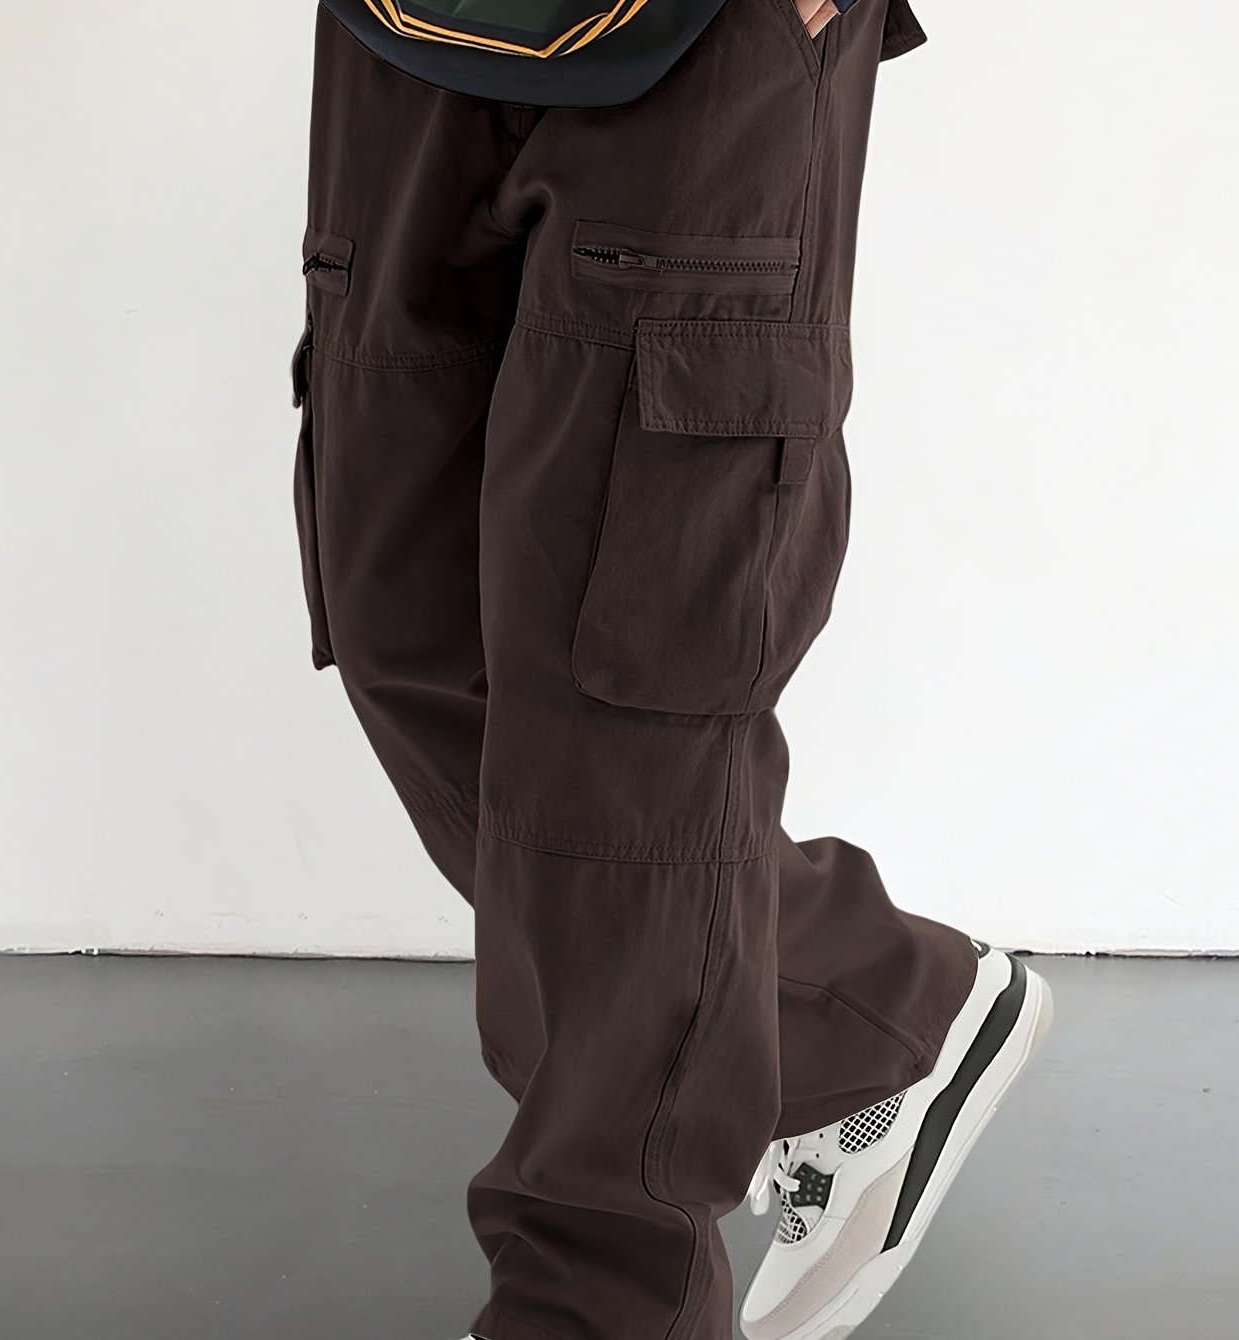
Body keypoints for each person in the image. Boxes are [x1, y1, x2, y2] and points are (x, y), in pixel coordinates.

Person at [288, 2, 1054, 1337]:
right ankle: (864, 1006)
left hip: (703, 40)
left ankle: (600, 1302)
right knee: (406, 626)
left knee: (627, 684)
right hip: (402, 29)